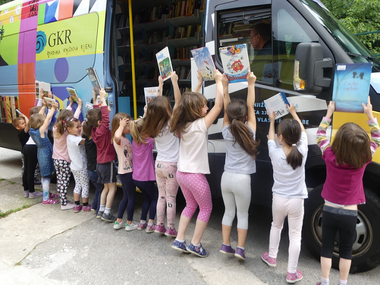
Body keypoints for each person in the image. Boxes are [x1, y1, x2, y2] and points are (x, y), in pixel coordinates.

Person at [315, 99, 380, 285]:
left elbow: (320, 135)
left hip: (329, 209)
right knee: (346, 251)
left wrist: (329, 113)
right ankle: (343, 283)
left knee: (326, 247)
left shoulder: (329, 156)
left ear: (339, 141)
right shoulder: (364, 158)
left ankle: (324, 281)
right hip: (350, 212)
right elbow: (377, 137)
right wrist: (369, 114)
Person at [170, 69, 224, 257]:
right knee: (206, 208)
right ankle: (195, 244)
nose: (207, 108)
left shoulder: (183, 125)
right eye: (203, 106)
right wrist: (218, 81)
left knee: (190, 206)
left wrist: (199, 84)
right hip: (194, 176)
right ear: (195, 110)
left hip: (181, 174)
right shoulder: (200, 125)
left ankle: (180, 239)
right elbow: (219, 105)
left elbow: (187, 103)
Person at [261, 103, 307, 284]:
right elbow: (303, 133)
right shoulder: (302, 151)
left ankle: (272, 257)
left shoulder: (274, 153)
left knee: (276, 226)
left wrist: (272, 121)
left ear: (281, 138)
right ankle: (291, 272)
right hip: (297, 200)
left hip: (278, 198)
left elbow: (269, 139)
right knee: (295, 235)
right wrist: (294, 113)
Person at [219, 71, 259, 260]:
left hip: (226, 177)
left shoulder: (226, 131)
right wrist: (251, 84)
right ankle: (240, 249)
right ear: (245, 117)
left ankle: (225, 245)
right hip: (243, 179)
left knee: (228, 212)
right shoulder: (250, 130)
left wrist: (225, 88)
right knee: (243, 215)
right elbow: (250, 106)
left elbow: (227, 110)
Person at [141, 73, 181, 238]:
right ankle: (171, 227)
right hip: (172, 165)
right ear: (167, 109)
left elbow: (154, 107)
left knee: (161, 197)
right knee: (171, 198)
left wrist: (160, 85)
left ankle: (159, 225)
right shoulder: (172, 123)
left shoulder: (152, 127)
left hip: (159, 165)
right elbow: (178, 101)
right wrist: (174, 82)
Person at [86, 88, 117, 222]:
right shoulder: (103, 130)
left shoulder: (93, 130)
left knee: (105, 188)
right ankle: (107, 213)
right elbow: (104, 117)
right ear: (100, 122)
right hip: (107, 163)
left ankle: (101, 210)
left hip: (99, 164)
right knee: (113, 188)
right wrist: (103, 98)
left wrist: (95, 97)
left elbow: (96, 114)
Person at [52, 96, 82, 210]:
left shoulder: (56, 127)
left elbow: (66, 116)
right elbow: (75, 118)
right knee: (64, 181)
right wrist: (78, 106)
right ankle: (64, 204)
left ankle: (62, 199)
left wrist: (69, 105)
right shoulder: (66, 131)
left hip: (56, 159)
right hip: (64, 160)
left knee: (60, 180)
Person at [130, 114, 158, 233]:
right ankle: (150, 223)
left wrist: (145, 116)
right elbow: (155, 133)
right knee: (155, 198)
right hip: (147, 177)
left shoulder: (134, 142)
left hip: (137, 178)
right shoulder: (149, 141)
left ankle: (142, 222)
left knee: (147, 198)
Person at [28, 99, 59, 204]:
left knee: (45, 175)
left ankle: (47, 193)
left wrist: (43, 107)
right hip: (46, 154)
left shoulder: (32, 129)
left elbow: (37, 116)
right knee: (46, 176)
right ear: (40, 123)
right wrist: (53, 108)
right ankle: (46, 198)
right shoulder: (41, 131)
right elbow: (48, 118)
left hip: (41, 153)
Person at [112, 112, 138, 231]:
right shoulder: (118, 138)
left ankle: (118, 222)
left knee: (126, 197)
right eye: (127, 126)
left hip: (125, 172)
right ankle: (129, 223)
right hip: (126, 173)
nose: (129, 127)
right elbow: (117, 136)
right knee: (131, 198)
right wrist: (121, 126)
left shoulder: (124, 138)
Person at [13, 114, 42, 199]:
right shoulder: (22, 133)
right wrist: (25, 117)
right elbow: (29, 124)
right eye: (22, 124)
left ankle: (26, 191)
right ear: (17, 127)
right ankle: (32, 192)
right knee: (30, 171)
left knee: (26, 171)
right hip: (29, 151)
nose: (25, 124)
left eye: (24, 123)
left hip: (24, 151)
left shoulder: (21, 132)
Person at [65, 116, 91, 213]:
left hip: (74, 167)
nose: (80, 128)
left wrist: (80, 132)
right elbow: (85, 142)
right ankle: (85, 205)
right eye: (77, 127)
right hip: (81, 166)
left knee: (78, 185)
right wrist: (85, 132)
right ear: (69, 129)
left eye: (80, 126)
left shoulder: (69, 137)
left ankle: (76, 205)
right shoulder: (75, 139)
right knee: (85, 185)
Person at [82, 121, 103, 214]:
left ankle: (94, 206)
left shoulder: (86, 140)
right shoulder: (94, 142)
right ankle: (99, 210)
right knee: (102, 190)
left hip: (90, 170)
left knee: (99, 189)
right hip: (95, 170)